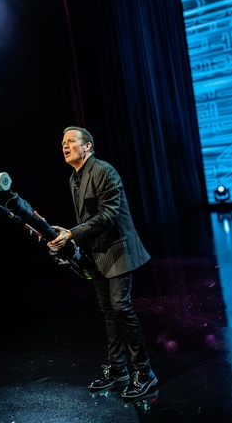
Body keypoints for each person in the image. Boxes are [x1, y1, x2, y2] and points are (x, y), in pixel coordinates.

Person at [47, 126, 157, 399]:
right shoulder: (73, 178)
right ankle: (118, 369)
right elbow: (87, 220)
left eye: (71, 141)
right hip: (96, 252)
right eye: (63, 143)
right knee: (108, 310)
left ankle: (144, 372)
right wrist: (68, 239)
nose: (65, 146)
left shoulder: (104, 171)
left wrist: (72, 233)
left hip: (118, 248)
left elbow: (109, 214)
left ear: (88, 146)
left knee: (120, 306)